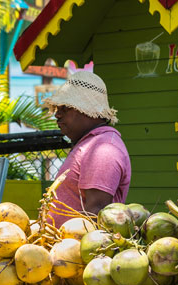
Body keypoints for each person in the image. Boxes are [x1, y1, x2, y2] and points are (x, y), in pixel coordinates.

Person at [44, 70, 131, 227]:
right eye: (57, 108)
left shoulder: (104, 149)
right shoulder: (90, 143)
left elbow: (96, 214)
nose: (57, 114)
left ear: (88, 110)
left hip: (75, 249)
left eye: (65, 107)